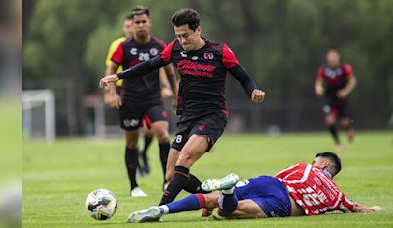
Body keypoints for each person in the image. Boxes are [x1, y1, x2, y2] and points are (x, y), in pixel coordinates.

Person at [99, 8, 265, 205]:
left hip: (212, 116)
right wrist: (117, 76)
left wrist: (253, 91)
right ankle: (218, 195)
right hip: (187, 118)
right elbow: (150, 65)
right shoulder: (174, 48)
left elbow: (244, 78)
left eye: (185, 35)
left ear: (198, 30)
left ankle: (160, 209)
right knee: (171, 174)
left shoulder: (220, 51)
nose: (182, 41)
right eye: (178, 36)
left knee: (183, 160)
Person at [126, 152, 384, 223]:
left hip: (270, 182)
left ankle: (163, 210)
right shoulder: (336, 194)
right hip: (284, 203)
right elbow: (357, 208)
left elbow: (277, 177)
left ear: (323, 163)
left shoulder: (301, 166)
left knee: (213, 200)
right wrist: (373, 209)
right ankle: (227, 193)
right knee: (231, 211)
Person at [105, 6, 177, 197]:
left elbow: (169, 72)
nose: (140, 25)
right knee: (132, 142)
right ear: (133, 25)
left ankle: (166, 181)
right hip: (130, 100)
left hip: (153, 99)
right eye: (137, 22)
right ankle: (134, 186)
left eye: (143, 21)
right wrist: (112, 93)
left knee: (162, 133)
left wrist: (177, 96)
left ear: (149, 23)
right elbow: (111, 70)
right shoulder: (124, 47)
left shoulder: (159, 46)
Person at [315, 48, 357, 152]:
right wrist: (318, 89)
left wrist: (346, 91)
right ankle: (338, 143)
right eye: (330, 56)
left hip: (341, 98)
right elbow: (319, 82)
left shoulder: (344, 68)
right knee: (329, 120)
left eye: (334, 56)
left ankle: (349, 129)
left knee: (344, 122)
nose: (332, 59)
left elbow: (352, 80)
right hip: (330, 98)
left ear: (338, 57)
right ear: (327, 58)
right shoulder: (323, 69)